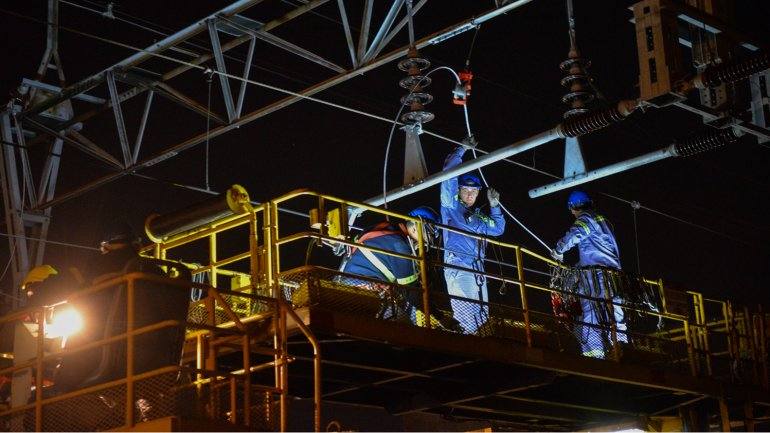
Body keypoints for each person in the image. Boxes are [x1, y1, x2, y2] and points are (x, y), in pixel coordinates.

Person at [551, 190, 627, 359]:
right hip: (614, 276)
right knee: (616, 313)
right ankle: (620, 349)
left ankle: (594, 355)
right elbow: (597, 250)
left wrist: (559, 250)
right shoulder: (604, 221)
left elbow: (576, 234)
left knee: (592, 312)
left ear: (572, 208)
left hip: (597, 277)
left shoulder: (586, 219)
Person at [440, 144, 505, 334]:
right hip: (458, 266)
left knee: (482, 316)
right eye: (466, 190)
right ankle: (465, 347)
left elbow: (498, 229)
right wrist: (461, 149)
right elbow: (448, 172)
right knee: (466, 314)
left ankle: (481, 349)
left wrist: (495, 206)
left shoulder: (479, 217)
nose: (470, 195)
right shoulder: (450, 206)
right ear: (458, 190)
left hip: (477, 269)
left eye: (474, 191)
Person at [339, 207, 439, 321]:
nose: (430, 238)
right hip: (363, 289)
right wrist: (439, 316)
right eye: (430, 231)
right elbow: (411, 293)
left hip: (353, 283)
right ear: (416, 227)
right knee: (404, 324)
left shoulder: (389, 234)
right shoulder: (400, 246)